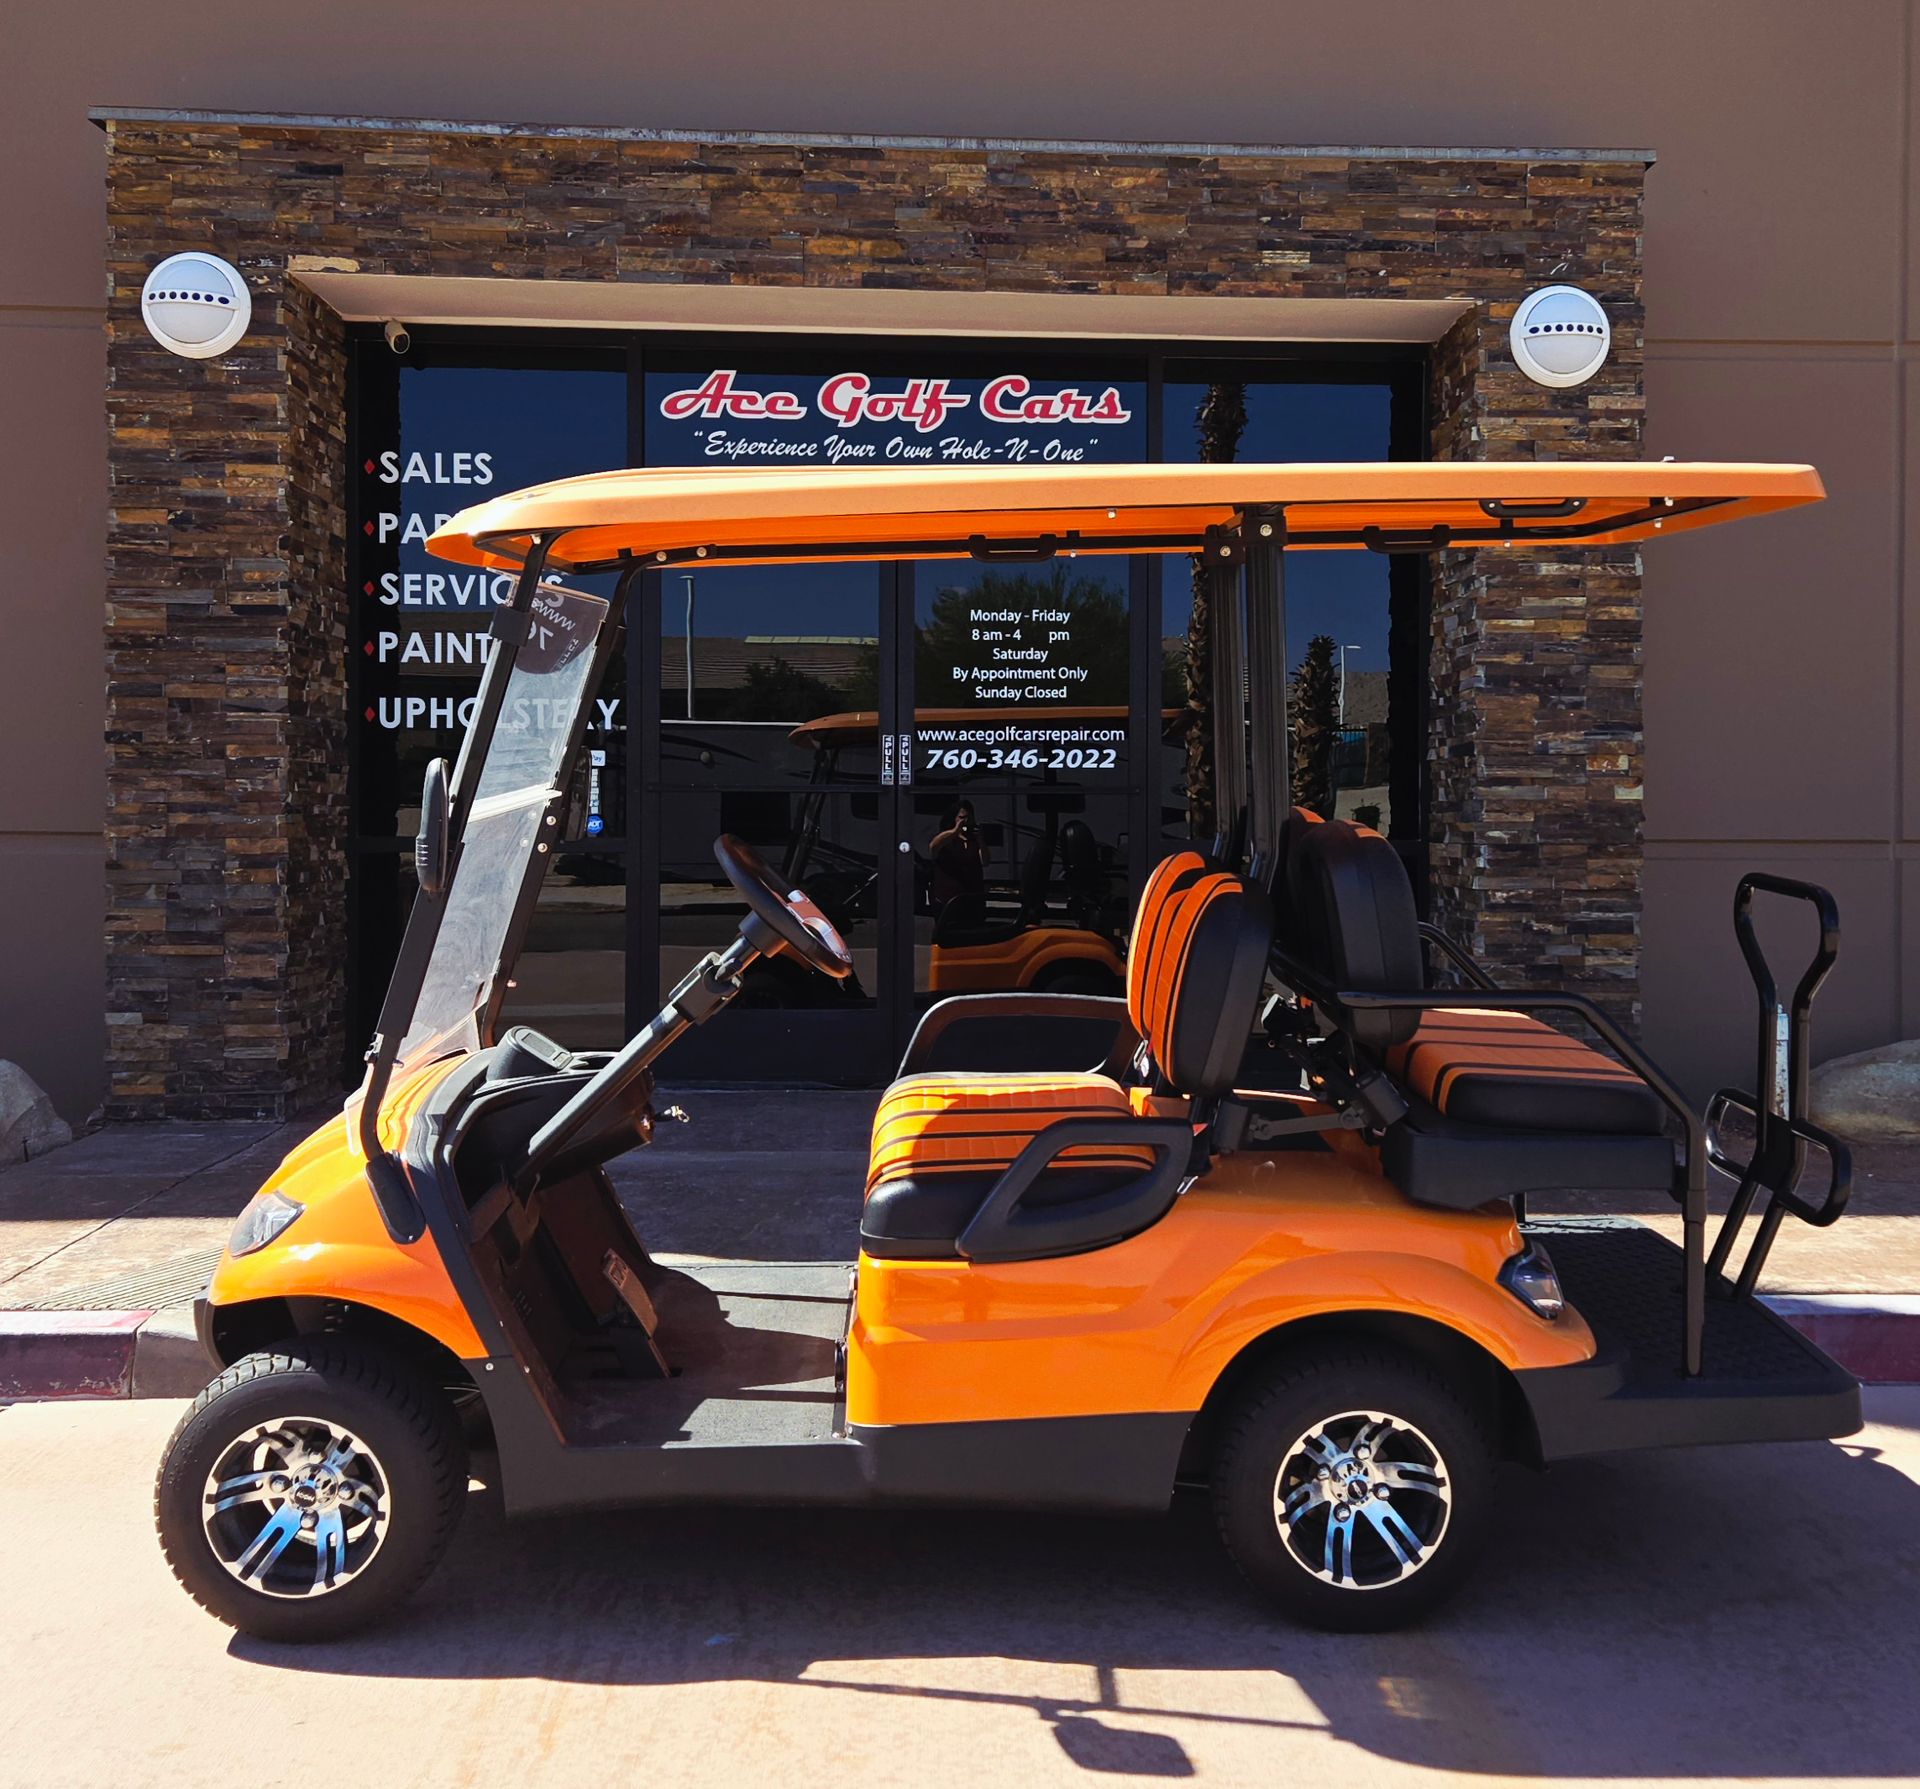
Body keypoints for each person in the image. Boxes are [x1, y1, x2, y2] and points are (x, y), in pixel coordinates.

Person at [927, 799, 987, 909]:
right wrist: (955, 831)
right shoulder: (946, 839)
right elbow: (933, 847)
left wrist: (981, 841)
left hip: (973, 896)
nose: (966, 821)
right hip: (949, 898)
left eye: (969, 817)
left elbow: (985, 861)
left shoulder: (973, 840)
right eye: (962, 817)